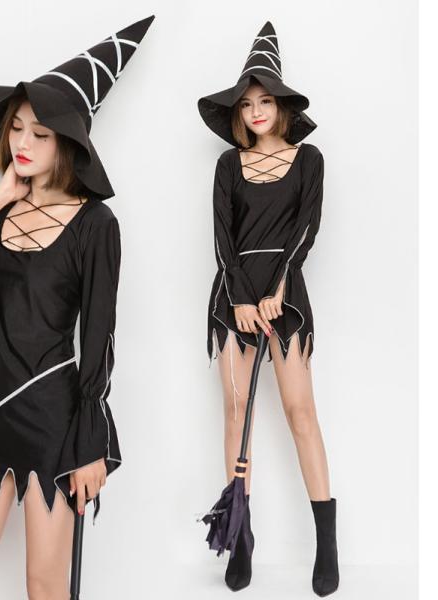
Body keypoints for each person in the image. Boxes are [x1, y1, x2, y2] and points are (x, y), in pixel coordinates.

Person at [0, 16, 154, 599]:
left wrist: (91, 440)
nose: (22, 143)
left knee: (46, 588)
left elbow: (98, 336)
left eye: (40, 133)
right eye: (17, 128)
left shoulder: (96, 225)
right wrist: (0, 193)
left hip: (56, 420)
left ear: (67, 142)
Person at [198, 21, 339, 596]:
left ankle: (327, 543)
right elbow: (222, 239)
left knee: (300, 412)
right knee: (237, 414)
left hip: (285, 296)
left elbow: (306, 230)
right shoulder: (228, 166)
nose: (256, 111)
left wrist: (278, 287)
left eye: (265, 101)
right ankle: (240, 538)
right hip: (234, 296)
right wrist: (238, 296)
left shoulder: (309, 160)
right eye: (247, 103)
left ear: (281, 106)